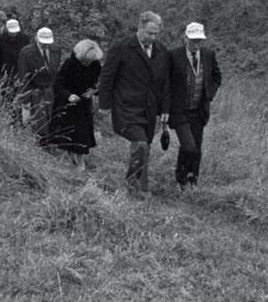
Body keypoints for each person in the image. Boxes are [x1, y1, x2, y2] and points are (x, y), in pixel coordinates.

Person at [98, 11, 170, 198]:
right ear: (139, 28)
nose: (152, 38)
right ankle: (141, 188)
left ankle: (132, 182)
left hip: (149, 108)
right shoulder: (121, 48)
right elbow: (107, 77)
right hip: (125, 106)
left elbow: (165, 83)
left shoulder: (162, 51)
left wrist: (165, 109)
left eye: (155, 34)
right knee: (140, 144)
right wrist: (104, 105)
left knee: (144, 146)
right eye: (149, 33)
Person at [167, 22, 222, 190]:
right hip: (179, 111)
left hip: (199, 111)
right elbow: (165, 82)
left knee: (196, 148)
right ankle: (180, 178)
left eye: (199, 40)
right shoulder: (173, 56)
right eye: (193, 40)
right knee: (188, 145)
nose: (196, 44)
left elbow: (217, 77)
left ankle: (192, 179)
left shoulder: (208, 55)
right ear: (185, 38)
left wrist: (209, 95)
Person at [50, 39, 104, 170]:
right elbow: (57, 85)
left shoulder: (95, 65)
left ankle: (80, 163)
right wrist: (69, 95)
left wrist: (94, 91)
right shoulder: (70, 64)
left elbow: (98, 84)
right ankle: (72, 160)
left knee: (82, 135)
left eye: (90, 61)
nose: (88, 63)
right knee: (68, 135)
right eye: (86, 61)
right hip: (66, 104)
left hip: (84, 105)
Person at [18, 27, 62, 147]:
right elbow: (24, 76)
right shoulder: (26, 52)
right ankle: (39, 146)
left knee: (51, 118)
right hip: (35, 90)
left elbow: (56, 70)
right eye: (42, 42)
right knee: (38, 121)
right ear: (36, 38)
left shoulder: (56, 49)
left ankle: (50, 144)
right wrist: (25, 99)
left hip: (50, 89)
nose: (45, 45)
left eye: (47, 43)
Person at [0, 18, 31, 124]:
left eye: (15, 32)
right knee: (7, 97)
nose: (13, 34)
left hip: (21, 72)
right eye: (11, 31)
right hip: (5, 72)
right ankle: (9, 119)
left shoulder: (25, 38)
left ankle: (20, 121)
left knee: (20, 97)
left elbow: (29, 56)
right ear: (7, 29)